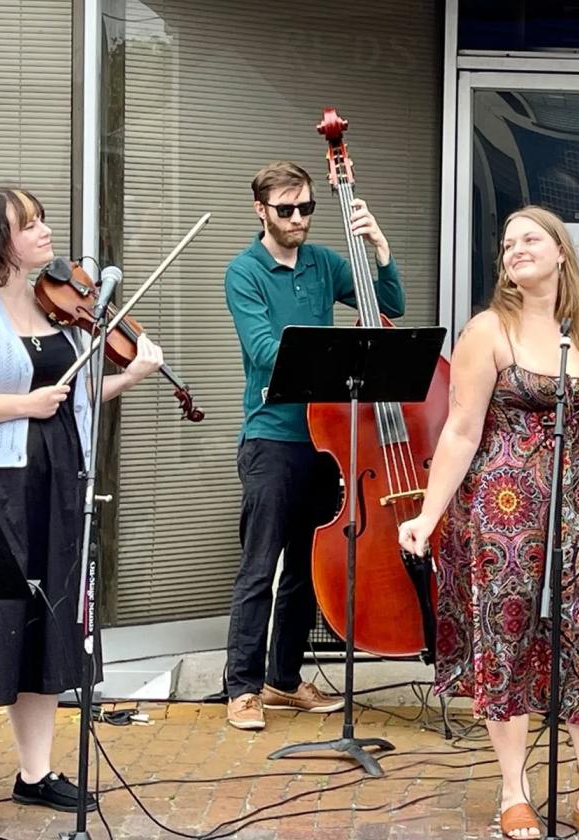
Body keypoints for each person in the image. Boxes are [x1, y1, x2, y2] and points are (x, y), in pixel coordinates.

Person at [0, 187, 165, 830]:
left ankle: (35, 773)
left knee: (47, 627)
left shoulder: (56, 308)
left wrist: (131, 375)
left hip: (56, 483)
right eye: (31, 224)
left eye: (44, 219)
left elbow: (69, 400)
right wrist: (22, 406)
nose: (47, 233)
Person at [397, 206, 579, 840]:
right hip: (503, 513)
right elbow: (460, 429)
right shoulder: (488, 329)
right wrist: (427, 515)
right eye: (508, 243)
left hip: (575, 513)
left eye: (529, 238)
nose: (515, 249)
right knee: (506, 641)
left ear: (561, 251)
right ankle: (513, 791)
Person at [222, 160, 406, 730]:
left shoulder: (326, 262)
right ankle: (242, 688)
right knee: (260, 567)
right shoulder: (244, 271)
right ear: (261, 211)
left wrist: (378, 248)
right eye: (286, 210)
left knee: (306, 566)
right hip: (272, 436)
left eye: (306, 208)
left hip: (327, 442)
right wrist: (333, 356)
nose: (298, 218)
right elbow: (266, 353)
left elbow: (389, 308)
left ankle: (283, 680)